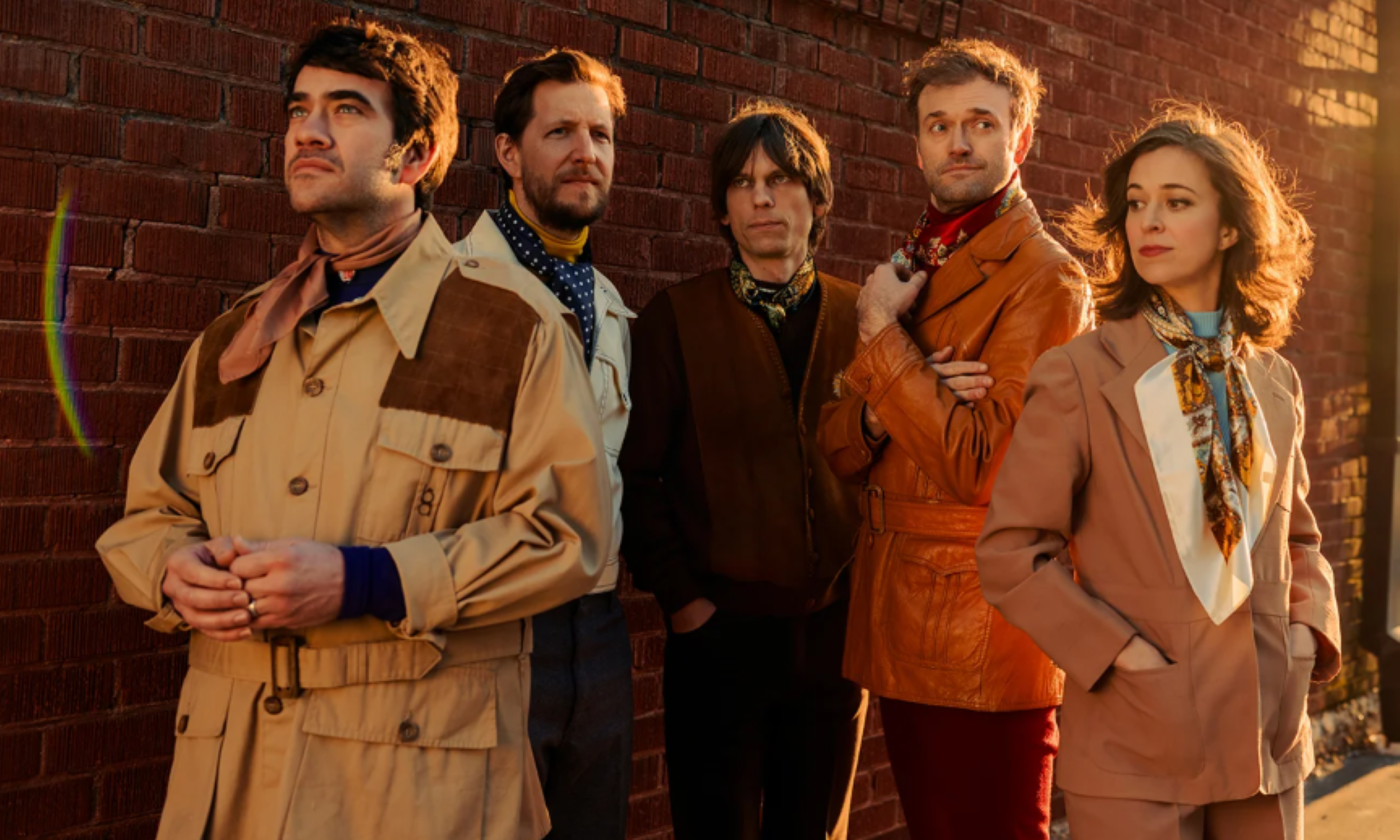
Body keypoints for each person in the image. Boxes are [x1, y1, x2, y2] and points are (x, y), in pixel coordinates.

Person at [95, 22, 611, 840]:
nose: (308, 128)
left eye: (345, 109)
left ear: (416, 155)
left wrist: (368, 581)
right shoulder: (236, 340)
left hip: (411, 794)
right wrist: (170, 570)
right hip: (232, 791)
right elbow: (145, 516)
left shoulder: (510, 326)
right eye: (300, 109)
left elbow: (572, 535)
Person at [976, 103, 1341, 840]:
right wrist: (1121, 657)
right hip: (1135, 741)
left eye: (1177, 203)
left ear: (1231, 226)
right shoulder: (1077, 374)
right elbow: (1011, 553)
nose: (1148, 222)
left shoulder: (1275, 382)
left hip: (1265, 737)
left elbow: (1299, 542)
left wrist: (1305, 636)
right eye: (1137, 204)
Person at [816, 39, 1089, 840]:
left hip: (984, 625)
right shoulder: (918, 258)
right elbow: (836, 443)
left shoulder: (1045, 278)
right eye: (939, 125)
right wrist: (896, 395)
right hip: (902, 607)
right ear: (918, 143)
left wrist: (879, 338)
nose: (958, 141)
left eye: (980, 122)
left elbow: (981, 465)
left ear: (1021, 139)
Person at [619, 100, 865, 840]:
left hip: (832, 636)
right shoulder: (675, 318)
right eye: (743, 182)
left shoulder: (866, 318)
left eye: (783, 179)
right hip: (718, 637)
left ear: (816, 200)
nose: (762, 196)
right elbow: (636, 476)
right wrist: (687, 605)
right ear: (723, 209)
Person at [457, 49, 634, 840]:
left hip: (596, 627)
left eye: (598, 134)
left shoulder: (612, 305)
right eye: (559, 131)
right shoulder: (453, 290)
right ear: (507, 151)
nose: (584, 152)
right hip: (492, 625)